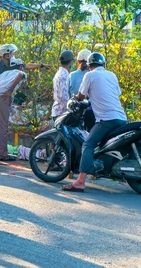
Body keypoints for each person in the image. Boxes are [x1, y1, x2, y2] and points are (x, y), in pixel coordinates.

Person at [62, 53, 127, 192]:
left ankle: (80, 181)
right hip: (121, 117)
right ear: (103, 64)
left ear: (89, 66)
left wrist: (76, 98)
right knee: (102, 144)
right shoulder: (112, 75)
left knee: (88, 144)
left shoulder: (89, 75)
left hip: (106, 119)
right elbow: (117, 93)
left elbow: (80, 96)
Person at [0, 44, 50, 161]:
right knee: (2, 126)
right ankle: (3, 155)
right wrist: (9, 91)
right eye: (11, 53)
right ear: (5, 55)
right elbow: (21, 74)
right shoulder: (17, 71)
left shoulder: (4, 72)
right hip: (3, 97)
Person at [68, 49, 95, 131]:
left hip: (76, 112)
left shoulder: (71, 76)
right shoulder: (93, 75)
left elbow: (68, 94)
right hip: (91, 111)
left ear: (78, 61)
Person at [51, 50, 75, 121]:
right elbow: (63, 97)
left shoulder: (60, 73)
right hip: (61, 113)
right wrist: (69, 111)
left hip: (59, 111)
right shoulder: (63, 76)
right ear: (70, 62)